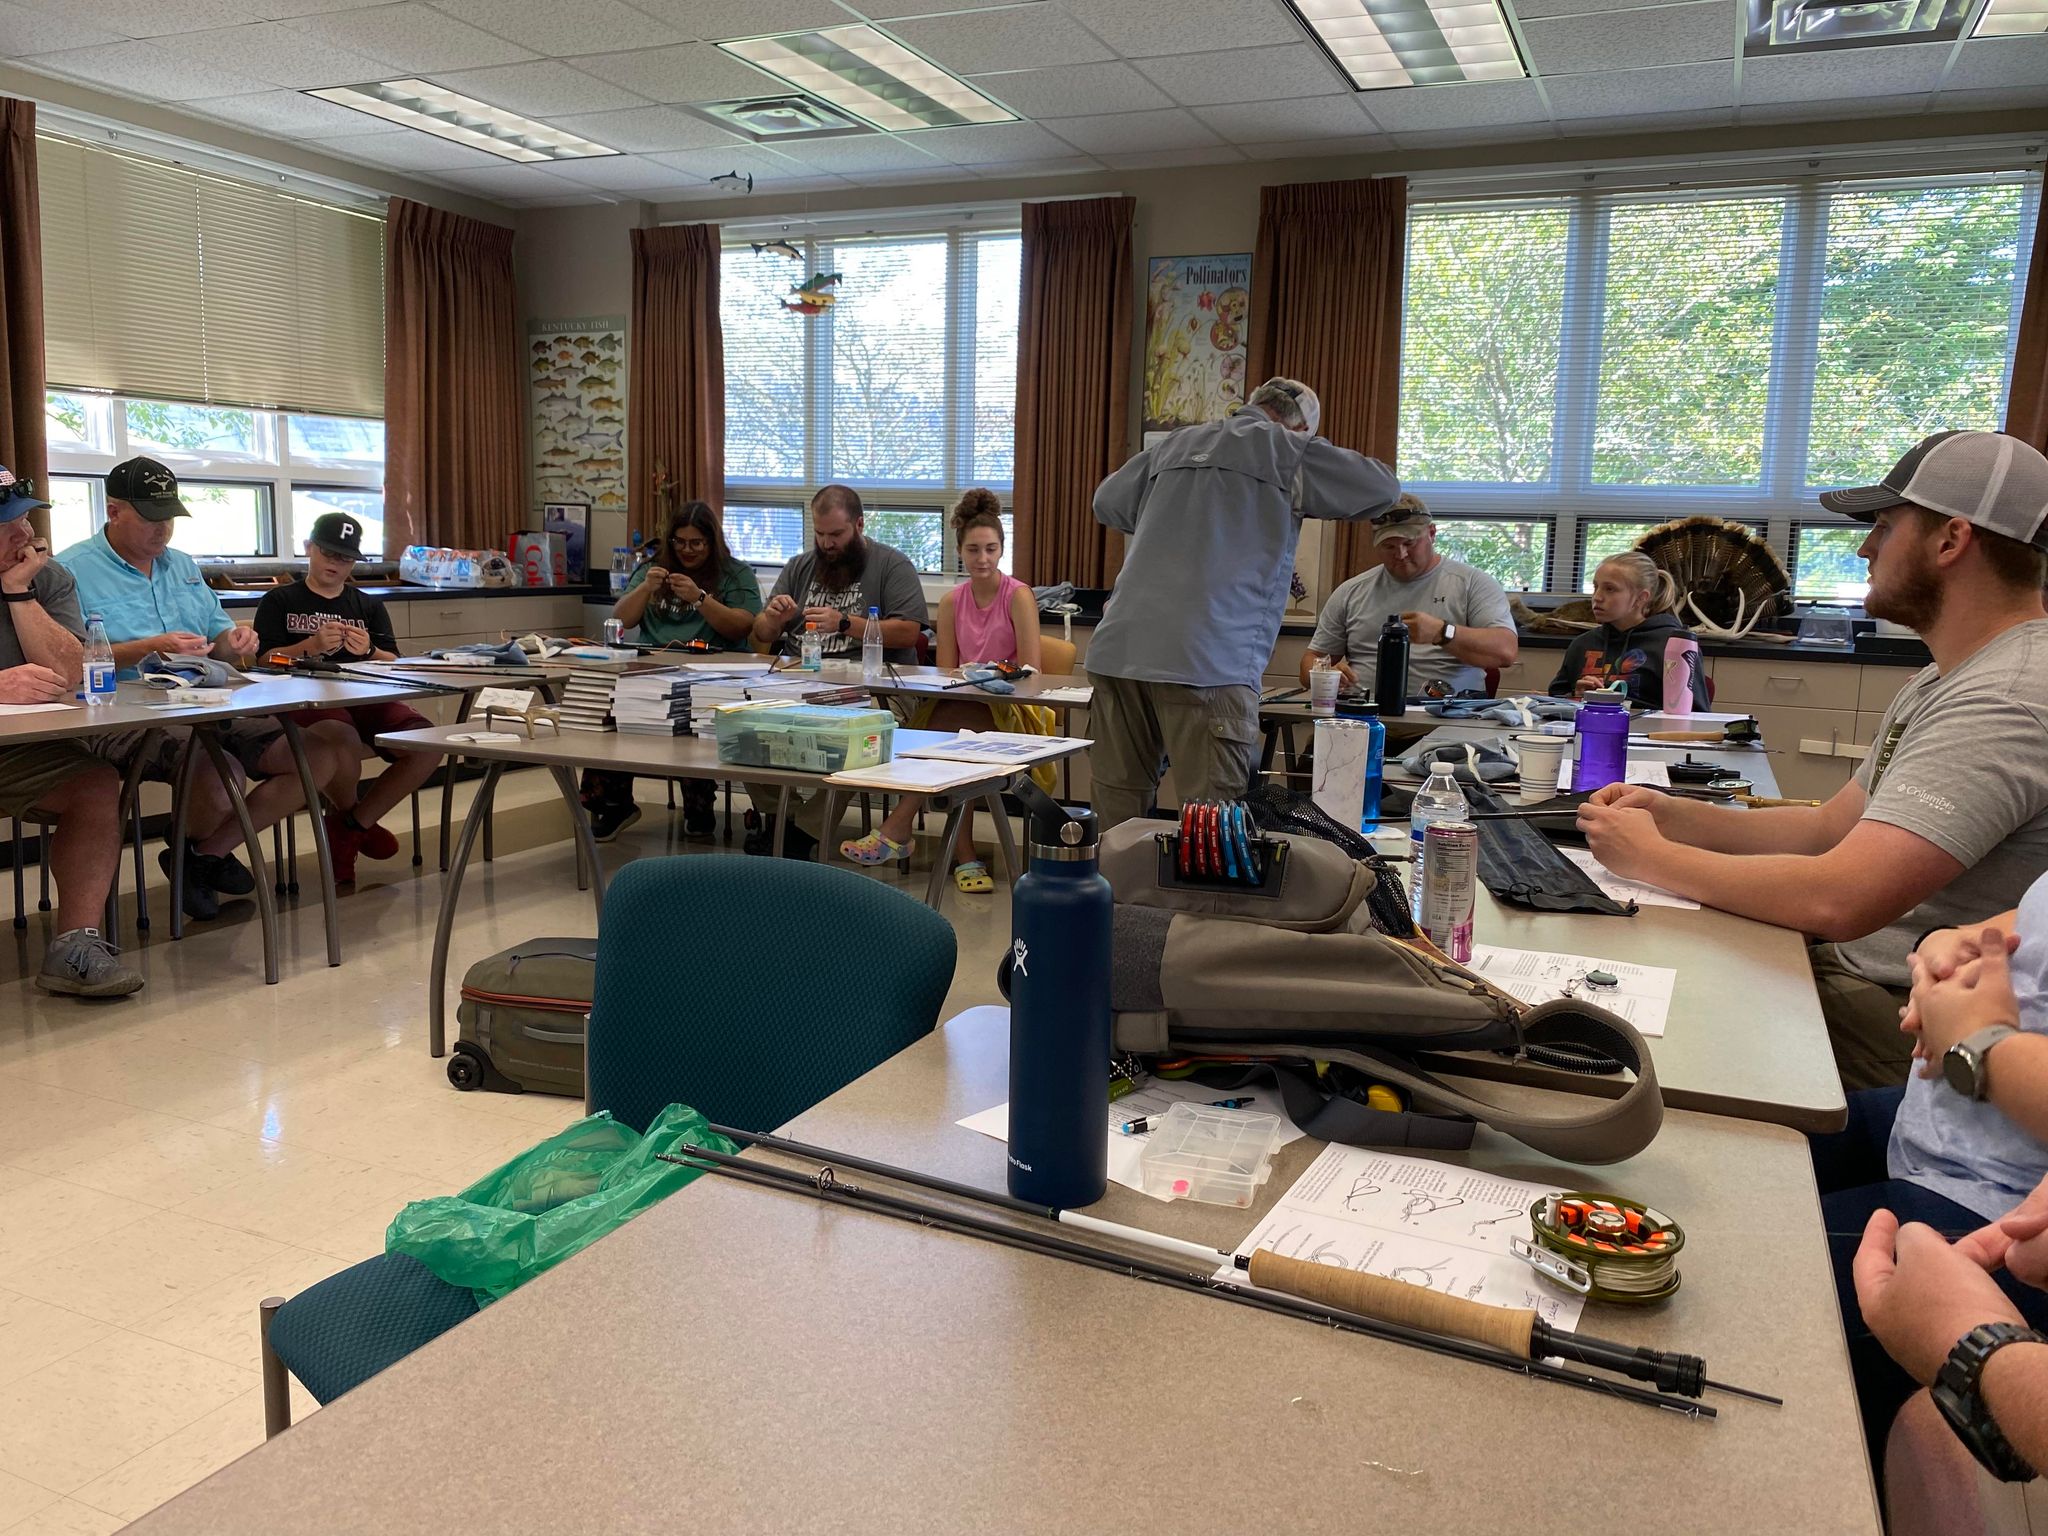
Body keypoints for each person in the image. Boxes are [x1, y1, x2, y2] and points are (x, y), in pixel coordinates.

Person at [1575, 431, 2048, 1092]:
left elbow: (1839, 898)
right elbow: (1827, 829)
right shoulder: (1949, 676)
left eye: (1884, 527)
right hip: (1864, 974)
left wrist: (1652, 858)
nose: (1865, 548)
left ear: (1950, 541)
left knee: (1622, 1052)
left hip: (1904, 1015)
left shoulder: (2002, 698)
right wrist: (1670, 814)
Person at [1086, 378, 1400, 832]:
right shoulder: (1285, 449)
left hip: (1118, 652)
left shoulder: (1175, 443)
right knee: (1215, 832)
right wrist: (1302, 452)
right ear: (1299, 428)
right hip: (1208, 662)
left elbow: (1106, 503)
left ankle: (1117, 883)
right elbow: (1382, 488)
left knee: (1118, 823)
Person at [59, 456, 361, 920]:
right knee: (219, 773)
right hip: (122, 709)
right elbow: (67, 662)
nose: (163, 530)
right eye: (151, 518)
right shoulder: (70, 570)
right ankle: (203, 855)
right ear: (114, 511)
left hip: (205, 698)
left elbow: (219, 639)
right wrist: (149, 647)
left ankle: (203, 855)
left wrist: (234, 640)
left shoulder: (181, 565)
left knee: (317, 756)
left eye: (170, 518)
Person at [1816, 872, 2048, 1477]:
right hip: (1932, 1121)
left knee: (1735, 1274)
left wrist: (1979, 1043)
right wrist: (1949, 946)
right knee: (1730, 1163)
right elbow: (2026, 924)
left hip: (1992, 1197)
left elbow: (1838, 892)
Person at [839, 490, 1042, 892]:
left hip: (1010, 707)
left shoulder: (1018, 596)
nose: (982, 558)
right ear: (959, 552)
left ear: (1002, 549)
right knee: (956, 736)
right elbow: (946, 672)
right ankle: (962, 856)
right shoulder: (951, 602)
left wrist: (990, 677)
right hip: (962, 705)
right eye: (973, 550)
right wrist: (966, 678)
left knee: (951, 736)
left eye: (991, 549)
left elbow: (1033, 672)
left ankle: (901, 829)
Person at [0, 466, 143, 996]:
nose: (23, 534)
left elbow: (74, 673)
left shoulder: (47, 577)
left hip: (19, 750)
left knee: (95, 782)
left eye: (25, 519)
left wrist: (19, 593)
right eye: (6, 525)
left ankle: (74, 948)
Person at [252, 512, 444, 883]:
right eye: (328, 553)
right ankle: (352, 824)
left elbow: (393, 661)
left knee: (427, 743)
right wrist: (309, 646)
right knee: (342, 739)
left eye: (345, 558)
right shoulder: (279, 600)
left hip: (368, 695)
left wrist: (370, 651)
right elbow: (265, 661)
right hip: (306, 698)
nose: (335, 564)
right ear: (309, 548)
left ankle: (352, 825)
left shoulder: (368, 605)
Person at [744, 484, 930, 859]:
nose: (827, 544)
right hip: (799, 682)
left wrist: (845, 623)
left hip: (873, 688)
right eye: (820, 534)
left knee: (855, 734)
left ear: (859, 525)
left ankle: (802, 833)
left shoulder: (891, 565)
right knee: (744, 723)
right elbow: (760, 635)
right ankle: (782, 816)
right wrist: (773, 618)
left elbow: (909, 631)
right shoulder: (799, 566)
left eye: (836, 534)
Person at [582, 500, 761, 842]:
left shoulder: (735, 573)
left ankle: (699, 806)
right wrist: (644, 588)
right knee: (611, 711)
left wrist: (700, 598)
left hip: (711, 676)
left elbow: (743, 626)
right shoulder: (652, 569)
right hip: (652, 672)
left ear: (711, 542)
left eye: (696, 543)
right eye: (680, 542)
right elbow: (620, 620)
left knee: (693, 714)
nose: (687, 550)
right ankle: (613, 803)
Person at [1297, 495, 1518, 699]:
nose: (1400, 554)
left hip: (1446, 718)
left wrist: (1442, 632)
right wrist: (1324, 674)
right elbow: (1310, 661)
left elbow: (1505, 652)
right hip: (1363, 715)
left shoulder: (1472, 584)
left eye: (1409, 543)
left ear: (1432, 533)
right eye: (1389, 546)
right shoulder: (1351, 592)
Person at [1548, 550, 1709, 710]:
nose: (1597, 597)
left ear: (1641, 598)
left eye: (1610, 589)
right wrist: (1577, 696)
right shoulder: (1583, 644)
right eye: (1596, 587)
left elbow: (1697, 714)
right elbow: (1555, 702)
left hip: (1650, 726)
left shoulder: (1673, 646)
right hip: (1590, 724)